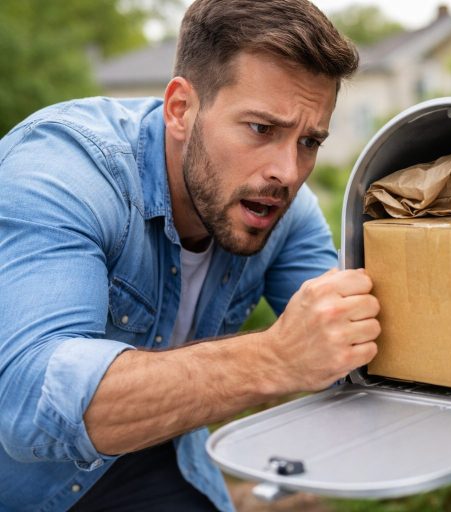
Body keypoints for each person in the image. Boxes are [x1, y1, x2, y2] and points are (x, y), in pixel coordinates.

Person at [0, 0, 380, 510]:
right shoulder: (65, 170)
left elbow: (356, 346)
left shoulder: (283, 210)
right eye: (262, 129)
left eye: (309, 141)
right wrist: (274, 358)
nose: (288, 172)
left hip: (155, 454)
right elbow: (29, 401)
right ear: (180, 109)